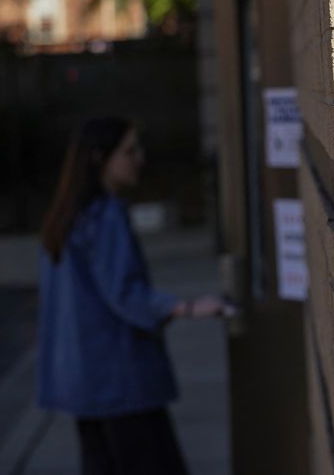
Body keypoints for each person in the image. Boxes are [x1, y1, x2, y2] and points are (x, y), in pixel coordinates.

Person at [38, 117, 222, 475]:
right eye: (129, 151)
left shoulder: (65, 217)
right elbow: (124, 293)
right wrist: (186, 307)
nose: (141, 158)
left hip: (88, 386)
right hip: (121, 383)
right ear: (98, 158)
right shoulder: (105, 217)